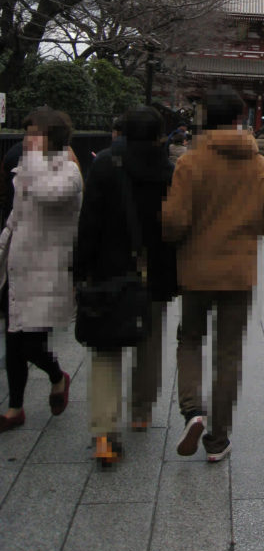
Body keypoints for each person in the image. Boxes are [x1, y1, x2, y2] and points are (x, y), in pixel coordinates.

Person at [163, 87, 264, 462]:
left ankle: (193, 410)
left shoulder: (190, 163)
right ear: (240, 118)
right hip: (238, 271)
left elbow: (175, 221)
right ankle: (218, 440)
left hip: (196, 268)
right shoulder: (260, 165)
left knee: (190, 339)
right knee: (229, 354)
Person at [74, 106, 176, 465]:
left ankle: (104, 432)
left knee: (105, 349)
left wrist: (81, 266)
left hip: (108, 269)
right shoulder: (168, 170)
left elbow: (89, 221)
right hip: (154, 270)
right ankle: (141, 411)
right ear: (159, 135)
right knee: (149, 339)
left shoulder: (103, 164)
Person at [0, 109, 82, 433]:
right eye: (27, 133)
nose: (27, 140)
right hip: (18, 265)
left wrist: (31, 164)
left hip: (48, 268)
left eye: (35, 134)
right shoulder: (24, 169)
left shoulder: (69, 172)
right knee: (13, 339)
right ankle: (15, 407)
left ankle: (56, 375)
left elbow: (50, 195)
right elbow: (14, 218)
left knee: (32, 344)